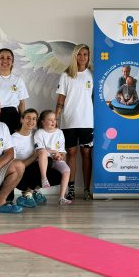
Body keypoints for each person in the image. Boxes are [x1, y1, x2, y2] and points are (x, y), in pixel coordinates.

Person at [55, 44, 94, 201]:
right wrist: (56, 117)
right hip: (69, 121)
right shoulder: (66, 75)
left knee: (86, 154)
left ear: (88, 56)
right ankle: (70, 189)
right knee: (71, 153)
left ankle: (86, 189)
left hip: (88, 122)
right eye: (79, 54)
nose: (82, 57)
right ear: (74, 56)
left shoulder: (92, 74)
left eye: (85, 54)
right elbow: (61, 99)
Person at [11, 108, 62, 208]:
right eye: (28, 118)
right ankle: (27, 194)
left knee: (58, 176)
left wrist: (57, 154)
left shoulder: (37, 133)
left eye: (34, 118)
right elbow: (14, 167)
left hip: (35, 171)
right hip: (21, 177)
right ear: (22, 119)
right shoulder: (14, 138)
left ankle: (33, 190)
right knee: (46, 162)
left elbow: (47, 149)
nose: (31, 121)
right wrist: (34, 156)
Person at [33, 110, 72, 205]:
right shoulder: (39, 133)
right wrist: (54, 152)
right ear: (43, 122)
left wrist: (60, 156)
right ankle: (44, 178)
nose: (53, 122)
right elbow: (40, 150)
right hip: (43, 160)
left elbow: (62, 150)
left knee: (67, 170)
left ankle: (62, 197)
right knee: (43, 152)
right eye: (50, 120)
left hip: (55, 159)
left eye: (55, 119)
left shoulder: (59, 132)